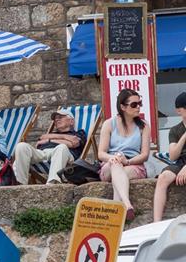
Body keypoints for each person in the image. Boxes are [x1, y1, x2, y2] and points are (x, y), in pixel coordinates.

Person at [97, 89, 151, 222]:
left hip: (133, 164)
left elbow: (145, 155)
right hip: (110, 164)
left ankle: (118, 209)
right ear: (122, 107)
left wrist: (127, 161)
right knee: (116, 164)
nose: (138, 107)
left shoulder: (143, 126)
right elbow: (101, 153)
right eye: (134, 104)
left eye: (140, 103)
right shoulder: (109, 124)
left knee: (118, 171)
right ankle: (127, 204)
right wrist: (113, 158)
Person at [12, 108, 86, 185]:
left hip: (65, 156)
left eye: (60, 117)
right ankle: (20, 184)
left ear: (71, 121)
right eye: (55, 119)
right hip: (43, 154)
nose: (56, 120)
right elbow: (42, 137)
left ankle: (52, 183)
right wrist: (66, 138)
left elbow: (73, 143)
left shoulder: (80, 133)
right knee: (21, 146)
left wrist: (49, 140)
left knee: (62, 147)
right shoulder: (51, 133)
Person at [153, 92, 186, 222]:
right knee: (163, 177)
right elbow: (173, 156)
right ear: (179, 110)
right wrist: (184, 136)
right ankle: (156, 223)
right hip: (180, 162)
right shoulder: (175, 130)